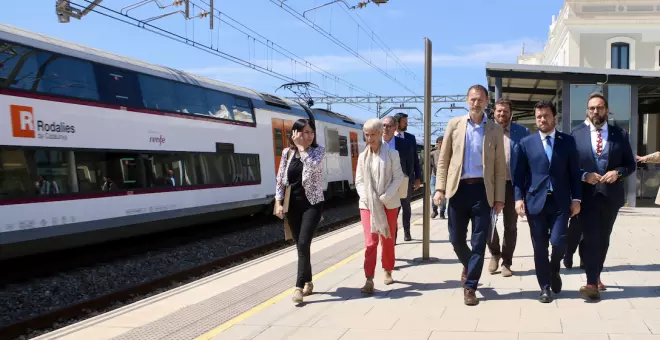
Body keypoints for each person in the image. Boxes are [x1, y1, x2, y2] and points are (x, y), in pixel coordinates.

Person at [433, 84, 506, 306]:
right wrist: (440, 188)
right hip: (458, 189)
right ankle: (470, 264)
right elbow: (443, 159)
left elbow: (499, 167)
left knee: (479, 241)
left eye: (480, 100)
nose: (476, 103)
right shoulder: (454, 125)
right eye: (472, 99)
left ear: (486, 102)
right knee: (455, 238)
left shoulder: (494, 129)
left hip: (483, 191)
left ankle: (470, 286)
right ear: (467, 100)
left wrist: (500, 198)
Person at [513, 100, 582, 303]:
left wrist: (576, 199)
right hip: (536, 202)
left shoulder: (567, 142)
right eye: (539, 117)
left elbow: (574, 173)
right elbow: (519, 176)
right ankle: (544, 287)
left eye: (546, 116)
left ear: (555, 118)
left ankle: (554, 270)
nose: (542, 119)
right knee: (539, 247)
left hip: (561, 202)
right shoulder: (526, 143)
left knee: (559, 242)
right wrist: (518, 199)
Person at [571, 92, 636, 300]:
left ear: (607, 111)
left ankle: (596, 273)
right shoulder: (576, 134)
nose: (595, 111)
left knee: (604, 238)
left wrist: (617, 173)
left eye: (599, 108)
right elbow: (570, 166)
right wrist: (584, 175)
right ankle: (591, 283)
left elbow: (630, 164)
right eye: (592, 108)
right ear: (587, 111)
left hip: (610, 196)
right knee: (590, 237)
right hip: (587, 196)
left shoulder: (620, 134)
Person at [274, 118, 326, 303]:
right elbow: (281, 179)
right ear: (295, 134)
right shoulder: (287, 153)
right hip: (292, 206)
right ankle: (309, 281)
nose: (309, 136)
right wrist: (279, 202)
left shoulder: (318, 151)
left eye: (311, 132)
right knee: (301, 246)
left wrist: (303, 149)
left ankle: (298, 287)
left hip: (312, 204)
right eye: (304, 132)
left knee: (303, 244)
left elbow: (312, 168)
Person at [355, 118, 406, 294]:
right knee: (370, 243)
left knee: (388, 239)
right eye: (366, 135)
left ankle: (388, 270)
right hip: (367, 204)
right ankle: (369, 278)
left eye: (373, 135)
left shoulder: (392, 154)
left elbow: (398, 177)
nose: (369, 139)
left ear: (380, 133)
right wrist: (368, 198)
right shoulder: (362, 157)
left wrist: (384, 197)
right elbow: (359, 181)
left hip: (388, 203)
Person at [488, 98, 530, 277]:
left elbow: (528, 159)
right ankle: (495, 253)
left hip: (513, 185)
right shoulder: (486, 130)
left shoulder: (522, 132)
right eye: (498, 111)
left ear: (510, 113)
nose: (501, 114)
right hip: (491, 184)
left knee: (510, 225)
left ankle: (507, 261)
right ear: (494, 112)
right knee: (488, 222)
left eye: (505, 111)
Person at [382, 116, 415, 242]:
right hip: (384, 185)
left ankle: (406, 231)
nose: (385, 128)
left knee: (405, 207)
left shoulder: (404, 144)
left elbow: (410, 163)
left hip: (401, 182)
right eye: (383, 125)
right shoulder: (377, 143)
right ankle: (392, 240)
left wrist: (407, 178)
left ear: (395, 128)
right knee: (391, 213)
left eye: (389, 126)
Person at [393, 112, 422, 240]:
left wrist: (417, 177)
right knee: (394, 208)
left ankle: (407, 232)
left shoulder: (410, 138)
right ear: (398, 123)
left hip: (407, 177)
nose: (407, 124)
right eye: (405, 122)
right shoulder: (390, 138)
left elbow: (415, 159)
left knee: (406, 206)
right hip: (392, 178)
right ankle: (393, 235)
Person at [429, 136, 447, 219]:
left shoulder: (448, 152)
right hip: (434, 176)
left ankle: (442, 212)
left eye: (442, 142)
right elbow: (428, 162)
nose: (441, 144)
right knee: (433, 194)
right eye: (440, 142)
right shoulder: (433, 152)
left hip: (444, 177)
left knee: (443, 196)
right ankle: (435, 210)